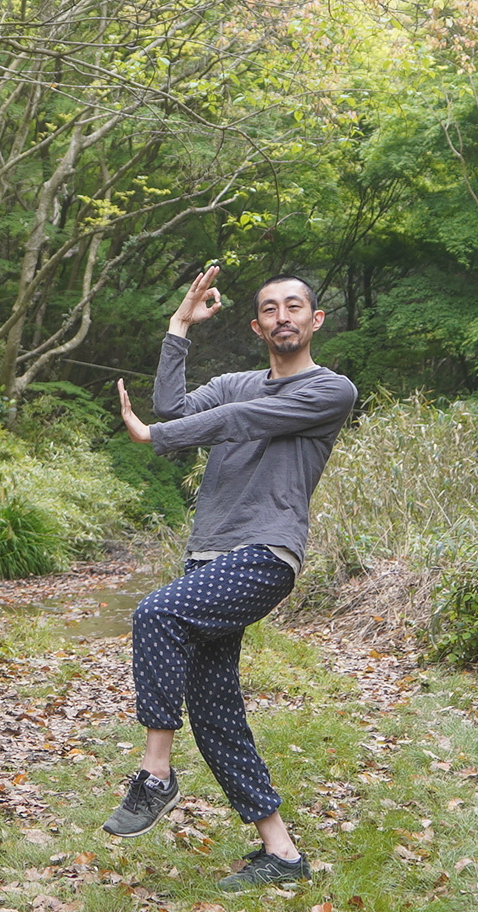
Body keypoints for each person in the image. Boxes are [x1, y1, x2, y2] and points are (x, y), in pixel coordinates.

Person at [101, 266, 358, 892]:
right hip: (207, 556)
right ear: (256, 325)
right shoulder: (235, 383)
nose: (282, 317)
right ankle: (282, 854)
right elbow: (175, 407)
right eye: (270, 309)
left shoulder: (330, 390)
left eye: (294, 306)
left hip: (265, 551)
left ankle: (155, 775)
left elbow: (241, 421)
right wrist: (178, 328)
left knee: (156, 613)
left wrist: (157, 437)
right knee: (215, 709)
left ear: (316, 318)